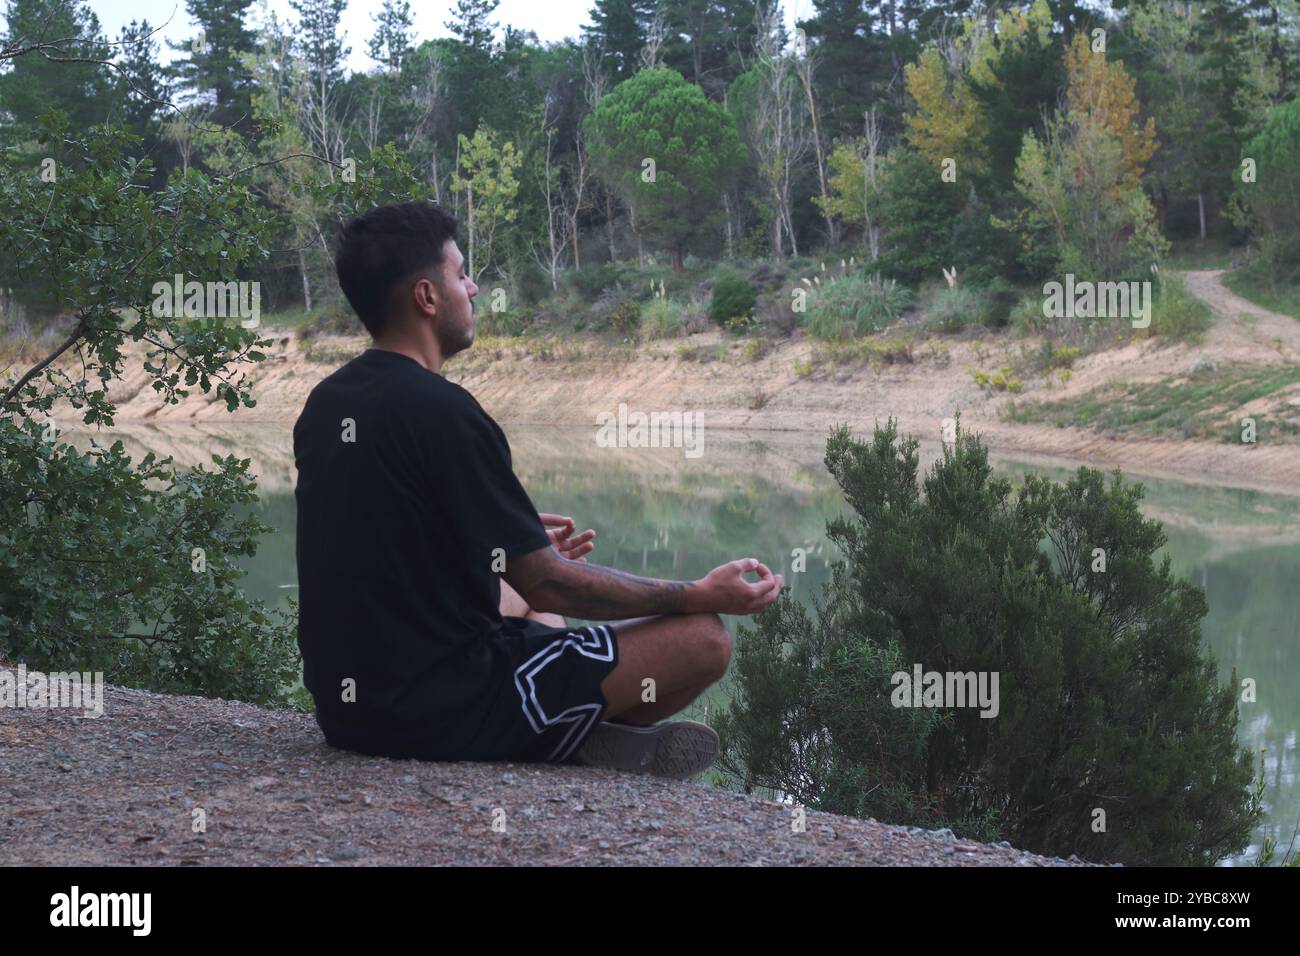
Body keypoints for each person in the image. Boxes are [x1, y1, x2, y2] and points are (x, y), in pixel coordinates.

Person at [293, 200, 783, 780]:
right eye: (460, 274)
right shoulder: (444, 412)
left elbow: (387, 563)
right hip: (437, 714)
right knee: (701, 640)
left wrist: (504, 557)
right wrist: (696, 594)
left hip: (350, 711)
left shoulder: (327, 405)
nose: (472, 288)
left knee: (540, 618)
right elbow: (549, 583)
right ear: (426, 298)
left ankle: (577, 733)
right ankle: (570, 741)